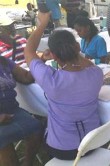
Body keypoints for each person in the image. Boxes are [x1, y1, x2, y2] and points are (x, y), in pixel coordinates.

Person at [24, 12, 104, 160]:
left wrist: (42, 24)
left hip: (62, 149)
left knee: (42, 124)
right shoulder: (96, 74)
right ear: (77, 47)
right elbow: (88, 65)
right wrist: (76, 52)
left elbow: (28, 51)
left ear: (53, 55)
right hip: (93, 143)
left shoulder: (50, 79)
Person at [0, 18, 43, 166]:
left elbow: (25, 77)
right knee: (5, 145)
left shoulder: (4, 62)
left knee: (37, 128)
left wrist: (40, 61)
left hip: (12, 111)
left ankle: (28, 163)